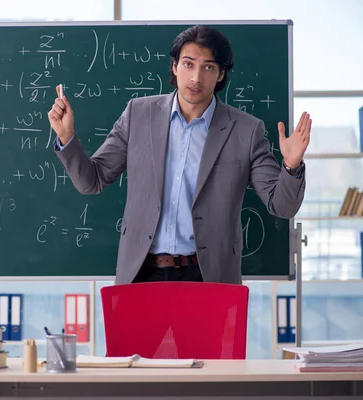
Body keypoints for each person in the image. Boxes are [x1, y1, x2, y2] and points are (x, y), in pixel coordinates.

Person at [47, 25, 311, 285]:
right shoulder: (138, 114)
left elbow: (283, 206)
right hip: (141, 274)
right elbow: (91, 181)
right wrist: (67, 138)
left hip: (208, 277)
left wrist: (291, 164)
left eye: (208, 67)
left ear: (220, 74)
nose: (196, 77)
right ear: (174, 66)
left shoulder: (246, 130)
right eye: (188, 64)